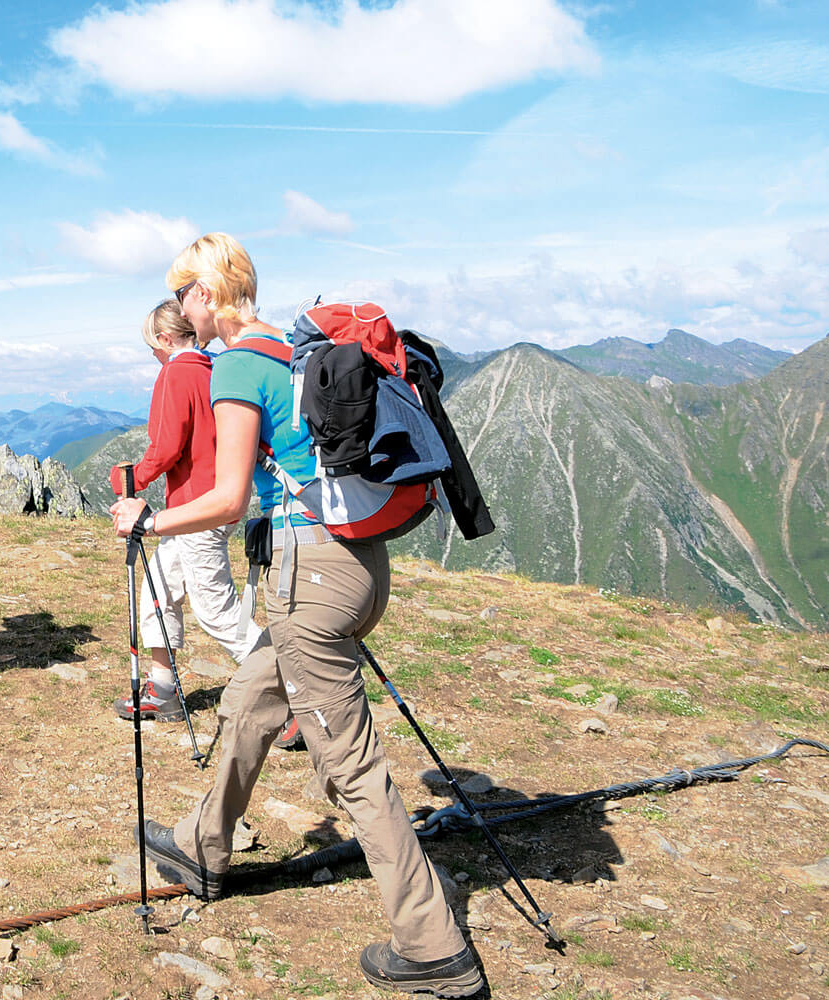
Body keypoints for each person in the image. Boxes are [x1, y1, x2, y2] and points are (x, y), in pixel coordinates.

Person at [111, 234, 484, 998]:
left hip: (308, 579)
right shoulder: (291, 348)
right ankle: (202, 847)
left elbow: (225, 495)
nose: (182, 307)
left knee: (351, 766)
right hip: (356, 565)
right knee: (250, 698)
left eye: (184, 293)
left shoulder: (241, 364)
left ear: (206, 295)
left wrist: (147, 521)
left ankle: (433, 948)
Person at [108, 300, 263, 722]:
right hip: (216, 503)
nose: (154, 357)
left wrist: (128, 479)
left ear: (165, 338)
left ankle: (294, 685)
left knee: (216, 611)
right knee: (158, 586)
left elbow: (165, 446)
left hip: (198, 509)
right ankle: (162, 691)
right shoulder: (215, 370)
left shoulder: (176, 372)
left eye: (152, 348)